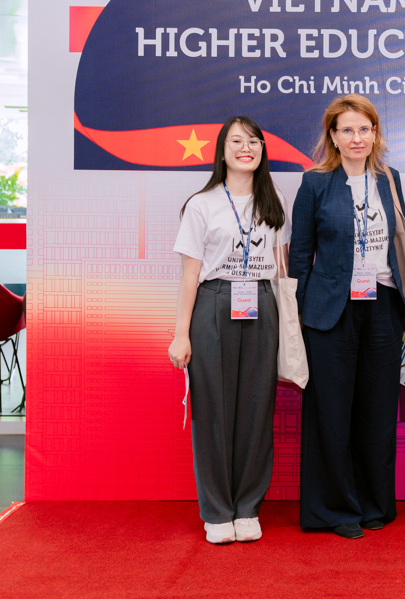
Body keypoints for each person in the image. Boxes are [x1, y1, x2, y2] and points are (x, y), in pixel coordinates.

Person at [289, 94, 405, 539]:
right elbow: (300, 255)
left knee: (377, 411)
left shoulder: (390, 180)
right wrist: (299, 317)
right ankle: (334, 510)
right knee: (331, 413)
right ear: (333, 137)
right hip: (329, 312)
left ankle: (374, 505)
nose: (356, 138)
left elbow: (400, 244)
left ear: (375, 134)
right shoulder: (315, 183)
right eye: (347, 130)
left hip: (382, 305)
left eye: (364, 129)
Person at [168, 116, 290, 545]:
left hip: (262, 303)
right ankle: (217, 512)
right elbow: (190, 274)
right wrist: (181, 333)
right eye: (236, 141)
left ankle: (247, 507)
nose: (246, 148)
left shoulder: (274, 201)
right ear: (222, 151)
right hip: (214, 303)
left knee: (257, 411)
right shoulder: (201, 204)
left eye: (254, 141)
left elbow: (282, 269)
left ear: (262, 150)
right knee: (214, 411)